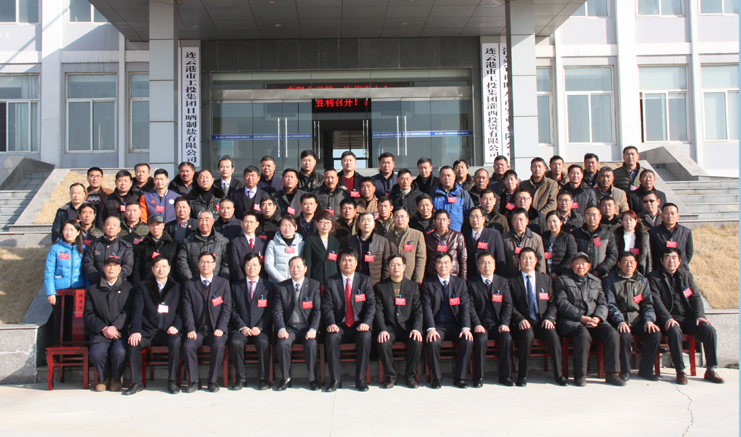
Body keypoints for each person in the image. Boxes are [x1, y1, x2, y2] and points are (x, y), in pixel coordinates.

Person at [648, 248, 724, 384]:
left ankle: (711, 369)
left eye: (674, 258)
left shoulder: (686, 275)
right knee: (675, 330)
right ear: (661, 260)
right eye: (667, 257)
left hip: (687, 318)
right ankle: (681, 371)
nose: (671, 261)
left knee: (709, 330)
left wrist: (700, 315)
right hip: (667, 320)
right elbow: (656, 300)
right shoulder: (654, 277)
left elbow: (695, 297)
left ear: (679, 261)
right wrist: (668, 318)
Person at [553, 252, 625, 387]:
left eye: (584, 263)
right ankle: (580, 375)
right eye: (578, 263)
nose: (581, 266)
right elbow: (562, 304)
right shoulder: (562, 280)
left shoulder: (596, 281)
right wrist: (581, 317)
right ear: (572, 265)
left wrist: (597, 318)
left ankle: (612, 373)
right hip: (573, 321)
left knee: (612, 334)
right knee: (583, 335)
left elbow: (603, 303)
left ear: (589, 266)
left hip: (593, 320)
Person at [124, 255, 183, 395]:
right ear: (152, 269)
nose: (161, 269)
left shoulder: (178, 287)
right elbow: (137, 310)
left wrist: (176, 326)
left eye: (164, 266)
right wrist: (136, 331)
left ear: (169, 268)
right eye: (157, 266)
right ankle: (136, 382)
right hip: (148, 330)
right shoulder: (143, 286)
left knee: (176, 341)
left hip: (168, 331)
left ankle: (172, 381)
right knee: (133, 342)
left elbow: (182, 311)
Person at [508, 248, 566, 386]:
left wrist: (549, 318)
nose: (527, 261)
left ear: (536, 261)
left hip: (541, 320)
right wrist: (520, 319)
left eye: (530, 258)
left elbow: (552, 303)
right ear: (519, 261)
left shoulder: (545, 279)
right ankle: (522, 376)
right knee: (527, 336)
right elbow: (509, 305)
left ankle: (560, 375)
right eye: (524, 258)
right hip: (523, 321)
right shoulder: (511, 281)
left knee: (553, 335)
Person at [322, 248, 376, 392]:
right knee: (331, 337)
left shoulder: (364, 280)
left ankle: (360, 379)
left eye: (350, 260)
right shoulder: (331, 281)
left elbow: (371, 305)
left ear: (356, 262)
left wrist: (366, 323)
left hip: (359, 325)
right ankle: (335, 380)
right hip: (340, 325)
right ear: (339, 262)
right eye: (344, 260)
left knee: (366, 337)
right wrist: (331, 323)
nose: (347, 263)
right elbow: (327, 306)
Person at [603, 252, 661, 382]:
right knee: (624, 336)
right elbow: (610, 305)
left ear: (636, 264)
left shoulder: (642, 280)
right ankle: (625, 371)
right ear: (619, 264)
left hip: (638, 320)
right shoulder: (610, 280)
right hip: (620, 320)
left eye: (631, 262)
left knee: (655, 334)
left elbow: (647, 304)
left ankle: (646, 370)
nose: (628, 265)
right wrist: (620, 321)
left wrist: (649, 320)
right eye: (625, 262)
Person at [181, 252, 232, 393]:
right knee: (188, 345)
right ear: (198, 265)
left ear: (214, 265)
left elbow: (227, 309)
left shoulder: (223, 283)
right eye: (203, 262)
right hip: (197, 330)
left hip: (216, 329)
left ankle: (212, 381)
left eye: (209, 262)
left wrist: (221, 327)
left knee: (219, 345)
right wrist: (190, 329)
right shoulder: (190, 284)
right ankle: (194, 381)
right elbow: (187, 309)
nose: (206, 265)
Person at [422, 253, 474, 389]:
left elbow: (465, 307)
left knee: (467, 340)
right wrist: (431, 328)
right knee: (432, 341)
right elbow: (426, 307)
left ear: (452, 265)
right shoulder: (428, 283)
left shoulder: (460, 283)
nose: (443, 265)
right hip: (437, 325)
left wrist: (466, 327)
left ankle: (460, 377)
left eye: (446, 262)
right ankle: (437, 378)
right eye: (439, 262)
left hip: (456, 325)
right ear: (435, 265)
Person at [84, 255, 133, 392]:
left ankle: (116, 378)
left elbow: (129, 311)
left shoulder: (128, 288)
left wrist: (115, 326)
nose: (112, 269)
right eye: (109, 266)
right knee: (96, 353)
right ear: (103, 268)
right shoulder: (93, 289)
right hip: (101, 332)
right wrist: (103, 328)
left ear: (120, 269)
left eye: (115, 266)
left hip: (120, 331)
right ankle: (104, 378)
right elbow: (88, 314)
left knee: (120, 352)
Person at [273, 256, 322, 391]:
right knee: (282, 343)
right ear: (289, 269)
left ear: (305, 269)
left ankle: (313, 379)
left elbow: (317, 310)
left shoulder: (313, 285)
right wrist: (281, 328)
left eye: (299, 267)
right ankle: (286, 379)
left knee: (311, 344)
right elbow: (277, 311)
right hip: (290, 328)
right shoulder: (282, 287)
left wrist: (313, 329)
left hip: (307, 328)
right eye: (292, 267)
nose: (295, 270)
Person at [375, 254, 423, 388]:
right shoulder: (380, 287)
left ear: (404, 267)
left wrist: (417, 329)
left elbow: (418, 310)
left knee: (417, 342)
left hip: (407, 327)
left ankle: (411, 377)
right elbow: (378, 311)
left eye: (399, 265)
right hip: (389, 327)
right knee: (383, 342)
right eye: (393, 265)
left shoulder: (412, 286)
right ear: (388, 267)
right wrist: (382, 329)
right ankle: (391, 377)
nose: (396, 267)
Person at [229, 253, 274, 391]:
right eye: (248, 265)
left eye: (255, 265)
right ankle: (241, 379)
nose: (251, 268)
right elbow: (232, 309)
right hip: (241, 328)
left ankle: (263, 379)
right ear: (244, 267)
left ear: (260, 267)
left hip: (261, 329)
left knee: (263, 342)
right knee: (235, 343)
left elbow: (271, 310)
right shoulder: (235, 286)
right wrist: (242, 326)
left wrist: (259, 327)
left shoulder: (268, 286)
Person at [468, 252, 513, 387]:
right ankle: (479, 376)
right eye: (483, 263)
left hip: (498, 324)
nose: (486, 265)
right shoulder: (471, 283)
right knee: (481, 339)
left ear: (494, 266)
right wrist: (476, 324)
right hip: (481, 324)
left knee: (506, 338)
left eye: (489, 263)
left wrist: (504, 323)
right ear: (478, 266)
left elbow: (508, 305)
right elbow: (470, 306)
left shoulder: (502, 282)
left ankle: (505, 375)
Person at [44, 220, 88, 343]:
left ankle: (75, 348)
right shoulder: (56, 249)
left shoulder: (83, 249)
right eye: (66, 229)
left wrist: (88, 290)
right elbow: (49, 272)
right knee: (59, 322)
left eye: (72, 230)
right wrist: (50, 293)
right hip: (59, 291)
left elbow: (87, 271)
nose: (69, 233)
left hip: (79, 291)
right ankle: (58, 348)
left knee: (76, 322)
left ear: (78, 232)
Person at [176, 211, 230, 281]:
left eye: (207, 220)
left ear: (212, 221)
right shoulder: (188, 241)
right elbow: (182, 263)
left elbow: (226, 264)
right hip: (194, 283)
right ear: (197, 222)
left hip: (217, 284)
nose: (204, 223)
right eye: (201, 220)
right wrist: (191, 282)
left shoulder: (222, 241)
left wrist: (220, 282)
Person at [83, 216, 134, 284]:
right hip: (97, 283)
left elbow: (128, 266)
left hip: (119, 284)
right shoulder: (94, 244)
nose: (111, 227)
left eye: (114, 225)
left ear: (119, 229)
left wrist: (114, 279)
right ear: (104, 228)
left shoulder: (125, 246)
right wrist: (101, 279)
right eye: (108, 224)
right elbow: (88, 264)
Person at [131, 214, 178, 285]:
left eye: (158, 224)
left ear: (163, 225)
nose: (155, 227)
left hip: (169, 285)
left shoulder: (174, 245)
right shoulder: (142, 246)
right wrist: (138, 286)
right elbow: (136, 270)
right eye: (152, 225)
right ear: (149, 226)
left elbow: (176, 268)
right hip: (146, 285)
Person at [572, 206, 618, 279]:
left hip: (602, 277)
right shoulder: (576, 234)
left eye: (594, 215)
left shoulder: (607, 235)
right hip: (580, 275)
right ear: (584, 216)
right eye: (588, 214)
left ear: (600, 217)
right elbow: (572, 254)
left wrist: (600, 271)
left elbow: (613, 255)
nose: (591, 218)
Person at [347, 212, 391, 286]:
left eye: (369, 220)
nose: (366, 223)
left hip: (376, 283)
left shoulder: (383, 241)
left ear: (374, 224)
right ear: (358, 223)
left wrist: (382, 284)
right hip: (355, 282)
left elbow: (386, 265)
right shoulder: (351, 241)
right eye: (363, 220)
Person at [384, 207, 426, 283]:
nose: (400, 220)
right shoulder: (387, 237)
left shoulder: (417, 235)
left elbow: (421, 259)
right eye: (397, 217)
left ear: (408, 218)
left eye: (402, 216)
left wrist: (417, 280)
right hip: (392, 280)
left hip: (410, 279)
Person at [502, 208, 546, 278]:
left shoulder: (536, 238)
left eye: (521, 219)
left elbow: (540, 260)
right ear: (512, 221)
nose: (518, 222)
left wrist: (541, 278)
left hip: (530, 277)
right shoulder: (504, 238)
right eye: (515, 219)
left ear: (527, 221)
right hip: (511, 278)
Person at [648, 203, 693, 271]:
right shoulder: (653, 232)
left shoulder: (686, 232)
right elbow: (651, 253)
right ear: (662, 215)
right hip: (660, 270)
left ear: (678, 216)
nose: (670, 216)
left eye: (672, 213)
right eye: (666, 213)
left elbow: (689, 253)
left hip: (681, 270)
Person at [425, 210, 467, 280]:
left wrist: (463, 279)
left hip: (453, 276)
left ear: (448, 221)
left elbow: (463, 259)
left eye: (444, 219)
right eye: (439, 219)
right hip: (433, 276)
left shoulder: (457, 236)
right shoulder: (428, 238)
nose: (442, 222)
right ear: (434, 221)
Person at [464, 206, 506, 278]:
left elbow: (500, 258)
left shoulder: (494, 234)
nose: (475, 220)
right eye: (472, 217)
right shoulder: (464, 235)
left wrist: (500, 279)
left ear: (483, 219)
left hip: (490, 276)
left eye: (477, 216)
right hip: (471, 278)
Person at [432, 166, 475, 232]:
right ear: (440, 178)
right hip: (438, 234)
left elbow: (471, 213)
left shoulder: (463, 194)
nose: (447, 178)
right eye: (444, 176)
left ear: (454, 176)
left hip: (458, 233)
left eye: (449, 175)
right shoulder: (433, 195)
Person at [302, 210, 340, 286]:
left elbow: (337, 264)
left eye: (328, 222)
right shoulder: (310, 240)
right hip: (316, 281)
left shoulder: (335, 241)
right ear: (316, 224)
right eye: (322, 222)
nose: (325, 225)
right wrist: (307, 283)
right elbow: (307, 264)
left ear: (332, 224)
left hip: (333, 281)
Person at [227, 212, 267, 283]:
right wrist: (244, 282)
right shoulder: (235, 242)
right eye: (246, 222)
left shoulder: (263, 243)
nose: (249, 224)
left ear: (257, 224)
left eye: (251, 222)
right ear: (242, 224)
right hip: (241, 283)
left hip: (260, 283)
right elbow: (235, 266)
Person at [264, 215, 305, 284]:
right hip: (276, 283)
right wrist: (283, 281)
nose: (287, 228)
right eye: (284, 225)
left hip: (294, 283)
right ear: (280, 227)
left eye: (290, 225)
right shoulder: (272, 243)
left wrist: (293, 281)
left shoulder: (301, 244)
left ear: (295, 227)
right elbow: (268, 265)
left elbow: (303, 266)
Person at [614, 210, 651, 275]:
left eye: (631, 220)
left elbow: (648, 256)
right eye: (626, 220)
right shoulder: (615, 234)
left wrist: (648, 272)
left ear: (636, 221)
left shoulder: (643, 235)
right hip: (620, 269)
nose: (628, 222)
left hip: (639, 270)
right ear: (622, 221)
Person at [543, 211, 577, 279]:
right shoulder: (543, 237)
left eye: (554, 221)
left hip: (563, 276)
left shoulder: (568, 238)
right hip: (545, 277)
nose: (552, 224)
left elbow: (571, 257)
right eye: (549, 222)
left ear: (561, 222)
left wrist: (557, 273)